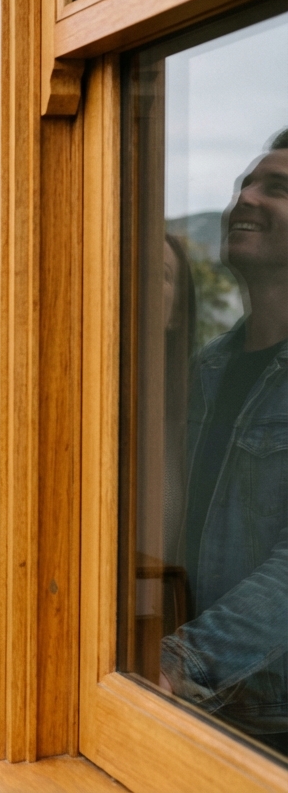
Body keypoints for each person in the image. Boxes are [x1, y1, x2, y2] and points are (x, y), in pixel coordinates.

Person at [159, 129, 288, 756]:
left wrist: (182, 663)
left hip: (273, 723)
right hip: (198, 709)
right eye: (246, 183)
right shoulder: (208, 369)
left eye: (279, 188)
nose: (248, 198)